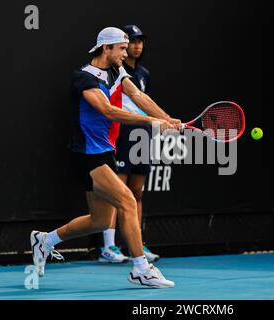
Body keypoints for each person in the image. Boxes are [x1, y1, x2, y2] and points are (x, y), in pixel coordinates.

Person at [30, 27, 180, 288]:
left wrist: (166, 118)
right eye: (121, 48)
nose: (126, 52)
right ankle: (141, 269)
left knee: (99, 220)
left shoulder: (117, 71)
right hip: (87, 156)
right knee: (128, 201)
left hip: (104, 153)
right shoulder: (83, 77)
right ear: (105, 48)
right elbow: (108, 111)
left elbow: (137, 95)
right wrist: (153, 122)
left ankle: (45, 241)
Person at [98, 24, 159, 264]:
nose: (136, 46)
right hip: (121, 131)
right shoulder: (114, 71)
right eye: (131, 42)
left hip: (142, 132)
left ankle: (137, 243)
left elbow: (145, 102)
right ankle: (108, 247)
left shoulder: (144, 74)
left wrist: (163, 120)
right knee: (118, 191)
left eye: (140, 41)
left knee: (137, 193)